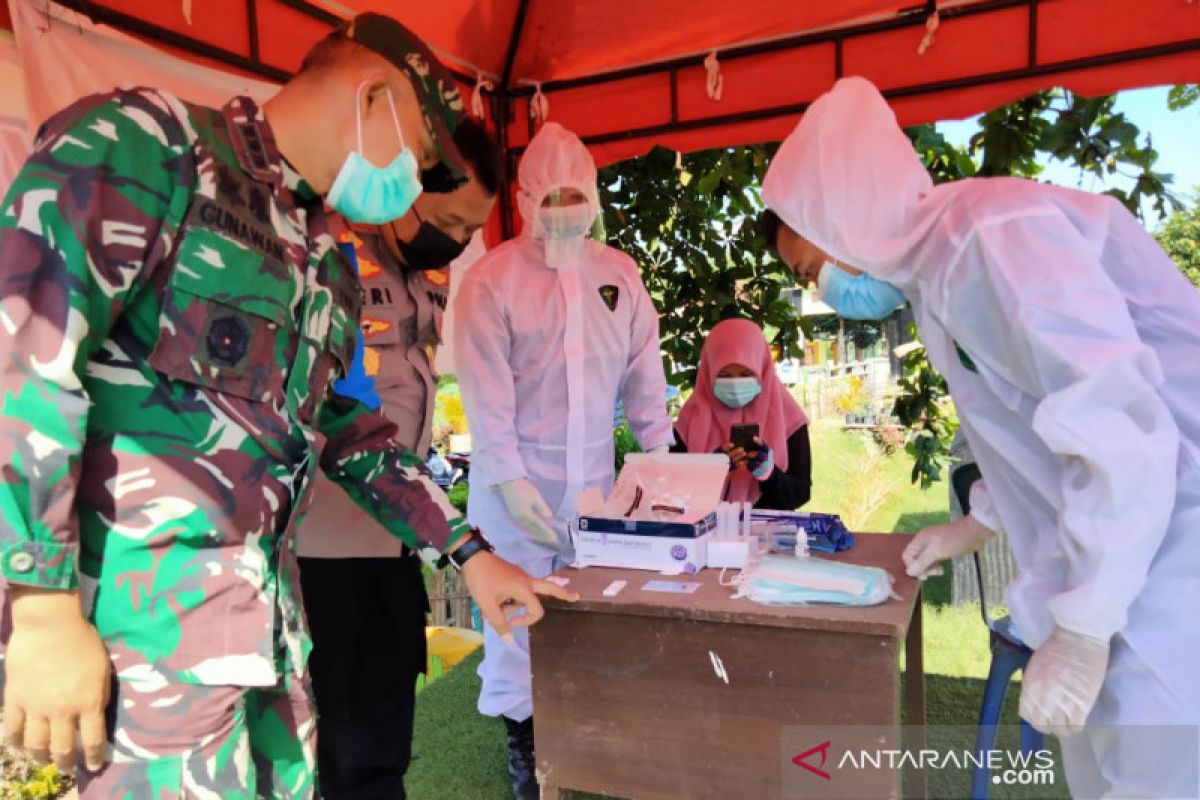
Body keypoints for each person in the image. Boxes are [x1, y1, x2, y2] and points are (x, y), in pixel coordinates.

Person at [0, 15, 574, 799]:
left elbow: (349, 430)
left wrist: (467, 551)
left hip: (268, 644)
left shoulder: (321, 265)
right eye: (422, 158)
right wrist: (38, 610)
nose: (412, 183)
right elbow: (23, 359)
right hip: (142, 653)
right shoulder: (148, 148)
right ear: (376, 99)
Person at [762, 75, 1200, 797]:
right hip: (1131, 548)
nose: (821, 292)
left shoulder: (987, 237)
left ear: (843, 211)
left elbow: (1122, 429)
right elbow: (1032, 433)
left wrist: (1086, 626)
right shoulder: (940, 281)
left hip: (1171, 544)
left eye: (813, 268)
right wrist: (977, 523)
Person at [454, 121, 673, 800]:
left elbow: (644, 380)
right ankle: (528, 761)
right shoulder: (492, 281)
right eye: (551, 199)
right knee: (519, 632)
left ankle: (593, 755)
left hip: (597, 496)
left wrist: (661, 458)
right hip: (514, 496)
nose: (564, 211)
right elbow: (485, 395)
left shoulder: (620, 276)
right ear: (524, 200)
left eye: (575, 196)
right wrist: (511, 482)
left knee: (596, 620)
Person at [295, 116, 501, 799]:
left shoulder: (429, 271)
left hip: (397, 547)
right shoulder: (324, 254)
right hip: (315, 556)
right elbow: (340, 420)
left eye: (472, 228)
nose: (459, 241)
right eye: (448, 220)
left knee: (383, 751)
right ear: (404, 187)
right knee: (333, 755)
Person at [673, 318, 812, 510]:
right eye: (723, 375)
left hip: (768, 533)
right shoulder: (690, 420)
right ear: (708, 372)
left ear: (762, 369)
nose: (735, 384)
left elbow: (800, 493)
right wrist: (710, 472)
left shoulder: (788, 417)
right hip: (705, 533)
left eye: (746, 374)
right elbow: (670, 490)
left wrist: (771, 475)